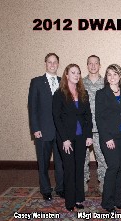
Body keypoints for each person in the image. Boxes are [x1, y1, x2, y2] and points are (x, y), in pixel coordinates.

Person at [52, 64, 93, 211]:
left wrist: (89, 135)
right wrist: (65, 139)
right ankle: (70, 202)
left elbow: (88, 116)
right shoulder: (59, 94)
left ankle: (79, 199)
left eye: (78, 73)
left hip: (81, 137)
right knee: (69, 169)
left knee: (79, 168)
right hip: (66, 139)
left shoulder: (83, 93)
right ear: (66, 75)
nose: (76, 75)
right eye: (73, 72)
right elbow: (57, 118)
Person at [95, 64, 121, 212]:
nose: (112, 77)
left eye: (115, 74)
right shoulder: (101, 93)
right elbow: (99, 118)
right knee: (113, 167)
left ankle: (118, 199)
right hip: (109, 138)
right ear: (106, 77)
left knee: (120, 168)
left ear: (120, 76)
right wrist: (107, 138)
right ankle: (107, 202)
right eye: (109, 74)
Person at [28, 53, 64, 201]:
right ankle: (46, 190)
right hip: (43, 131)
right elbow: (32, 107)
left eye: (55, 62)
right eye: (50, 62)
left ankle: (61, 188)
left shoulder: (63, 82)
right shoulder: (36, 82)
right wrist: (35, 129)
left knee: (61, 163)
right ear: (45, 63)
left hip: (61, 132)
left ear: (58, 64)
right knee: (43, 163)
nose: (52, 65)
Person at [83, 55, 106, 193]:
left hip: (100, 129)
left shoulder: (105, 83)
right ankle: (83, 181)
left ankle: (103, 182)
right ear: (87, 65)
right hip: (84, 128)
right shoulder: (80, 83)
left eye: (95, 63)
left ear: (99, 65)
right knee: (82, 158)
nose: (93, 66)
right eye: (90, 63)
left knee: (102, 157)